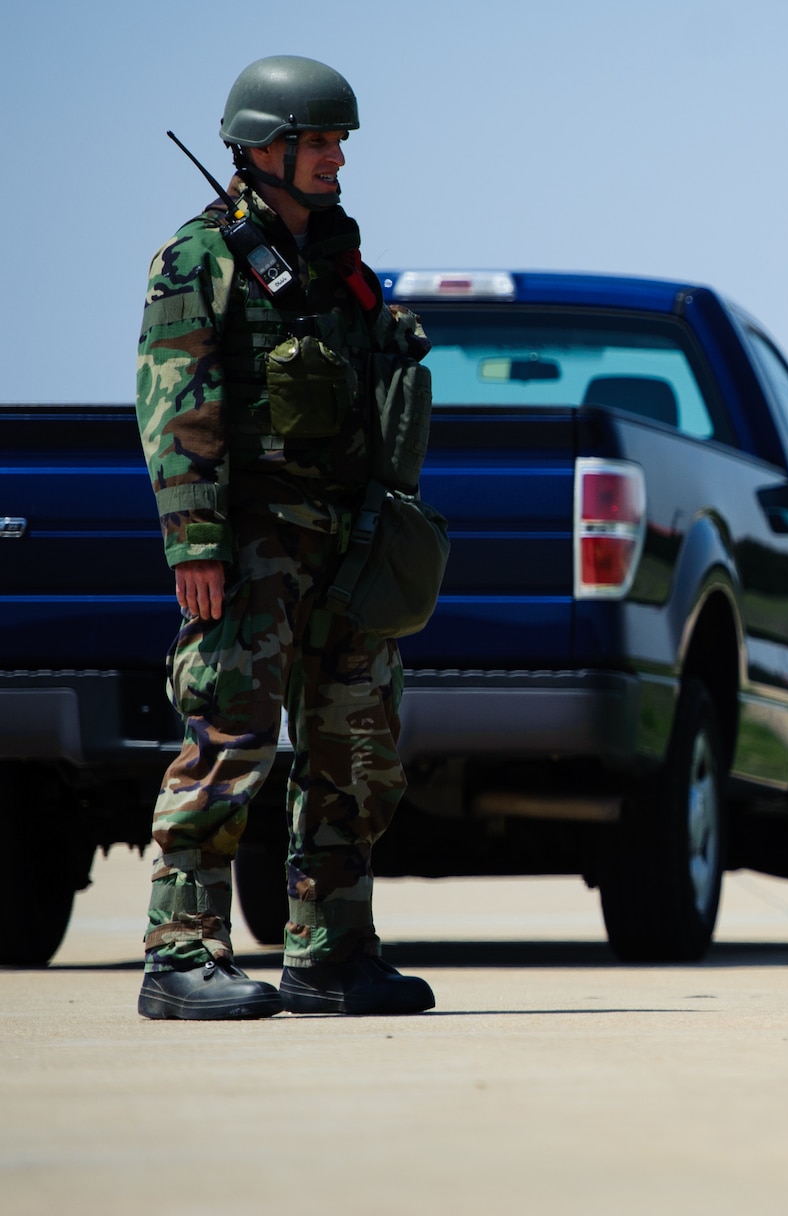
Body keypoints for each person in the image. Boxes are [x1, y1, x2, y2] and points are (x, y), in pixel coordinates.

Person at [134, 55, 433, 1018]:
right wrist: (196, 546)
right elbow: (178, 406)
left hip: (346, 540)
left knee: (356, 748)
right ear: (262, 146)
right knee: (229, 740)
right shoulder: (202, 257)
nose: (335, 157)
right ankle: (181, 954)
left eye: (339, 140)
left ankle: (332, 952)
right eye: (317, 140)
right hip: (253, 542)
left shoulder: (340, 260)